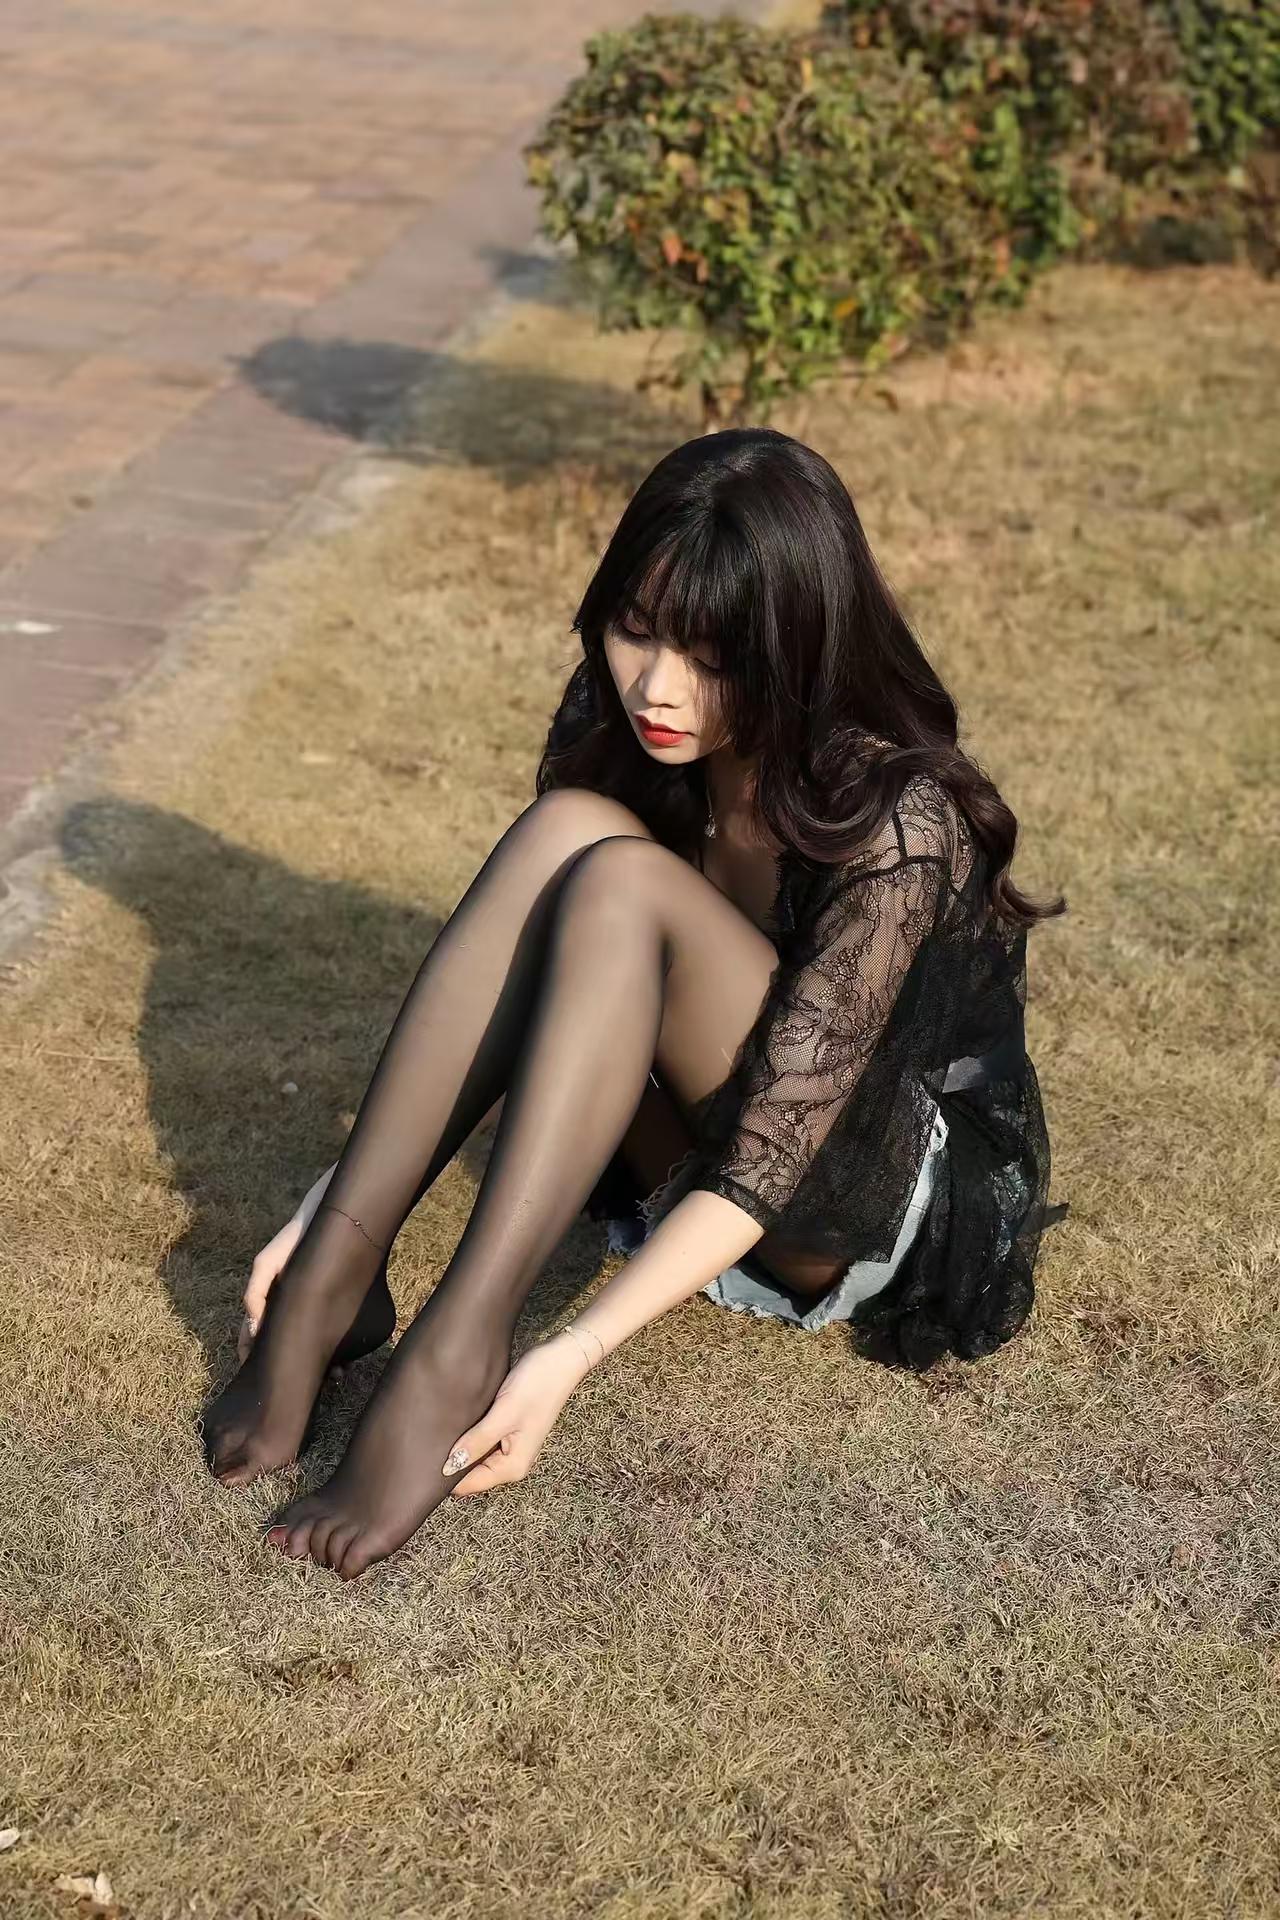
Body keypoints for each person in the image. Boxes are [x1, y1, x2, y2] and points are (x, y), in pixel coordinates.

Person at [200, 426, 1062, 1581]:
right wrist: (335, 1207)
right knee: (573, 833)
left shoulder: (900, 821)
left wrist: (570, 1353)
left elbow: (777, 1151)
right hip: (697, 1133)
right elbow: (517, 989)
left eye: (711, 658)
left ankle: (456, 1354)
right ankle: (333, 1281)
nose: (657, 686)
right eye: (636, 630)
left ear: (795, 650)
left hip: (851, 1201)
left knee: (620, 882)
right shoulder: (636, 726)